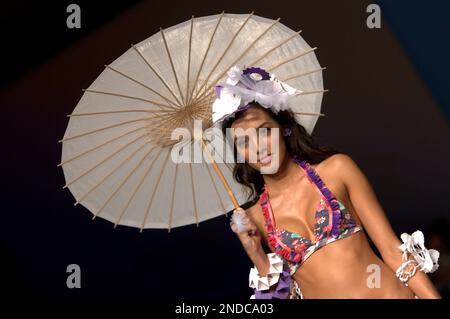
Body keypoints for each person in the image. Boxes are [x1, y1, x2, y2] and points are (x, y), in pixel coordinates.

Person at [213, 65, 441, 299]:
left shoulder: (337, 169)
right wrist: (256, 254)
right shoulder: (253, 219)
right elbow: (285, 295)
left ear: (284, 128)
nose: (259, 147)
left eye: (264, 131)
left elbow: (392, 251)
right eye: (244, 143)